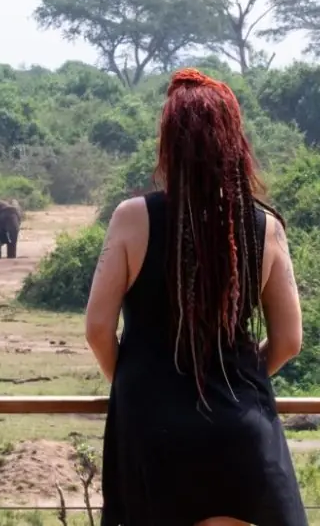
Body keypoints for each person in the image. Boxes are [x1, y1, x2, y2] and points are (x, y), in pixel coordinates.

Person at [84, 68, 307, 526]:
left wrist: (135, 382)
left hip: (153, 429)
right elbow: (288, 341)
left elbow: (97, 330)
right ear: (235, 143)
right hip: (241, 432)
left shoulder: (132, 218)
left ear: (168, 144)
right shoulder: (266, 227)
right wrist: (234, 380)